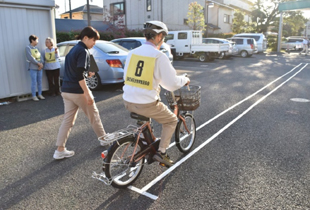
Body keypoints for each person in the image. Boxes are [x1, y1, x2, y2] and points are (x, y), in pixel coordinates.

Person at [122, 21, 190, 167]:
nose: (163, 39)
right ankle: (162, 152)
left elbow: (126, 77)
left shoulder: (132, 53)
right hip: (145, 104)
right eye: (163, 36)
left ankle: (147, 141)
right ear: (159, 36)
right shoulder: (159, 56)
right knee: (171, 120)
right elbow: (171, 84)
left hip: (128, 100)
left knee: (148, 116)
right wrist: (185, 80)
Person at [53, 26, 107, 160]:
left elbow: (76, 71)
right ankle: (104, 139)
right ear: (85, 38)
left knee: (68, 121)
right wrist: (88, 94)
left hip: (66, 90)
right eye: (93, 40)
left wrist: (87, 73)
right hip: (78, 92)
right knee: (93, 115)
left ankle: (60, 150)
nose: (94, 43)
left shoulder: (73, 50)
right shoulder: (83, 51)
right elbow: (78, 75)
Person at [25, 35, 45, 101]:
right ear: (32, 40)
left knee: (39, 81)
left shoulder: (37, 48)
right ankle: (34, 95)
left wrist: (41, 64)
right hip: (33, 68)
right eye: (36, 40)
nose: (37, 42)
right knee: (34, 82)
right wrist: (38, 64)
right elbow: (30, 58)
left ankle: (40, 94)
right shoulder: (28, 48)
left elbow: (41, 57)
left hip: (39, 68)